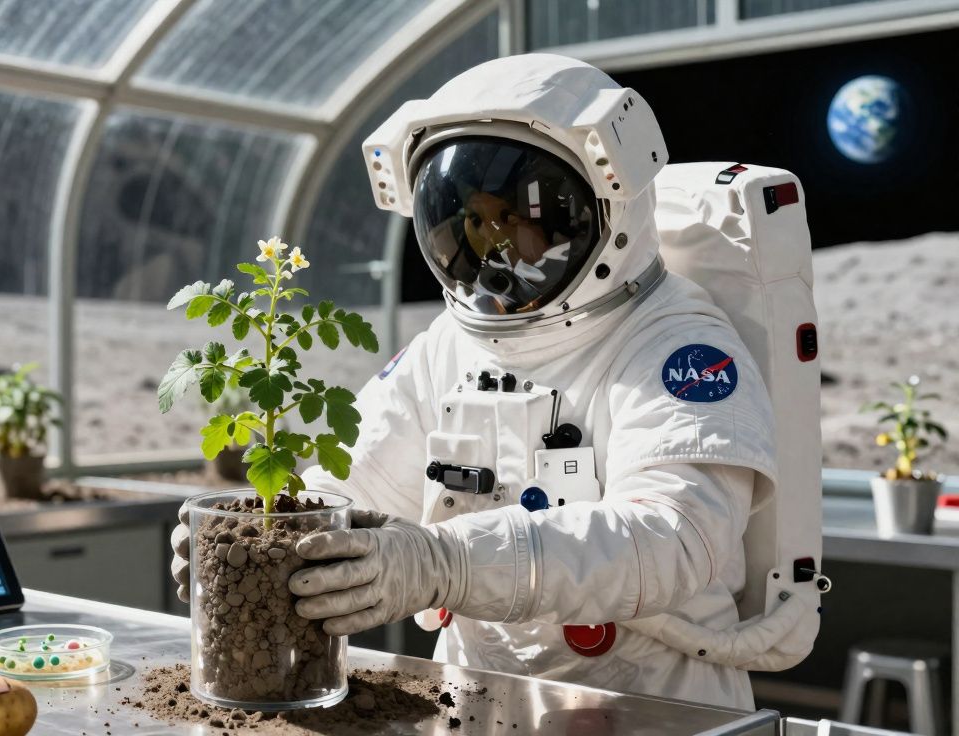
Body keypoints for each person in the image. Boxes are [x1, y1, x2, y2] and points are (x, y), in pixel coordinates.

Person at [172, 54, 778, 710]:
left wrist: (446, 564)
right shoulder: (447, 346)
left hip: (652, 706)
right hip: (475, 700)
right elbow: (356, 481)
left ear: (595, 209)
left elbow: (677, 536)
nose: (493, 251)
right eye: (474, 221)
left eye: (511, 220)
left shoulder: (676, 341)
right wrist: (271, 539)